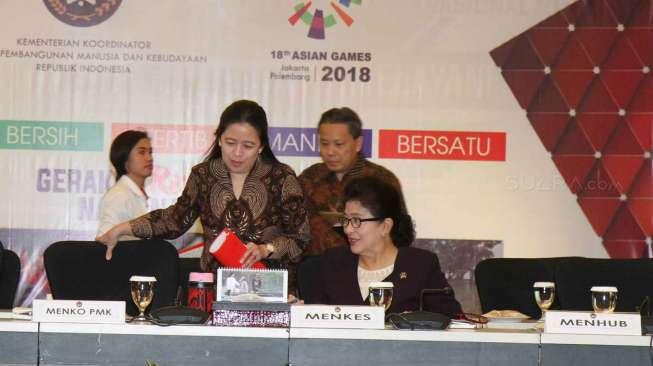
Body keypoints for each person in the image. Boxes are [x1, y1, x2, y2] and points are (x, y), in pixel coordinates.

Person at [97, 100, 310, 279]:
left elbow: (300, 239)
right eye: (230, 142)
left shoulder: (282, 178)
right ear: (218, 139)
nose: (237, 153)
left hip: (269, 288)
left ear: (262, 146)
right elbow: (173, 220)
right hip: (214, 288)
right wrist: (121, 229)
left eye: (248, 146)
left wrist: (266, 249)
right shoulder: (203, 175)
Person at [311, 176, 462, 317]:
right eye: (346, 220)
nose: (348, 229)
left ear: (385, 226)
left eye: (357, 220)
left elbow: (452, 319)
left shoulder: (421, 265)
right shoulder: (332, 262)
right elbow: (312, 318)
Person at [298, 107, 406, 256]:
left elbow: (401, 234)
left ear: (358, 143)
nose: (330, 152)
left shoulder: (382, 180)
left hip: (369, 267)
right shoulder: (309, 178)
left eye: (339, 144)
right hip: (317, 270)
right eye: (324, 143)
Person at [97, 130, 153, 241]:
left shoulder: (133, 194)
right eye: (141, 152)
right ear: (124, 158)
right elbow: (105, 240)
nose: (149, 158)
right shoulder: (118, 196)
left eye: (150, 152)